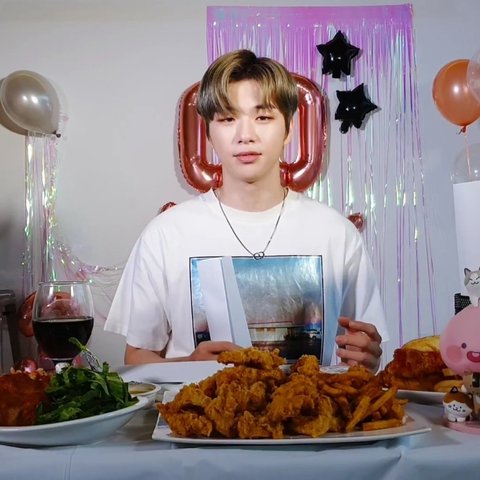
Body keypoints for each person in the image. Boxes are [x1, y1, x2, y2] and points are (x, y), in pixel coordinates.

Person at [104, 49, 388, 372]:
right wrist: (189, 366)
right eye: (227, 119)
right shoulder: (165, 234)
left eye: (263, 117)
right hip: (197, 407)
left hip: (310, 406)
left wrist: (369, 358)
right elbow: (136, 357)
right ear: (209, 133)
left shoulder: (336, 234)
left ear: (288, 129)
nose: (245, 136)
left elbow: (364, 353)